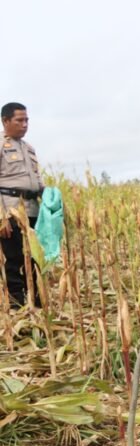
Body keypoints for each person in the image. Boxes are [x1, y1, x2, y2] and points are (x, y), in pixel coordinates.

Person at [1, 102, 44, 308]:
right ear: (5, 121)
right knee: (15, 260)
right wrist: (1, 217)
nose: (25, 124)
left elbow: (37, 179)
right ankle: (17, 306)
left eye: (27, 120)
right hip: (11, 212)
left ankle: (37, 303)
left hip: (33, 211)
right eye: (20, 120)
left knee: (36, 259)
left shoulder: (29, 149)